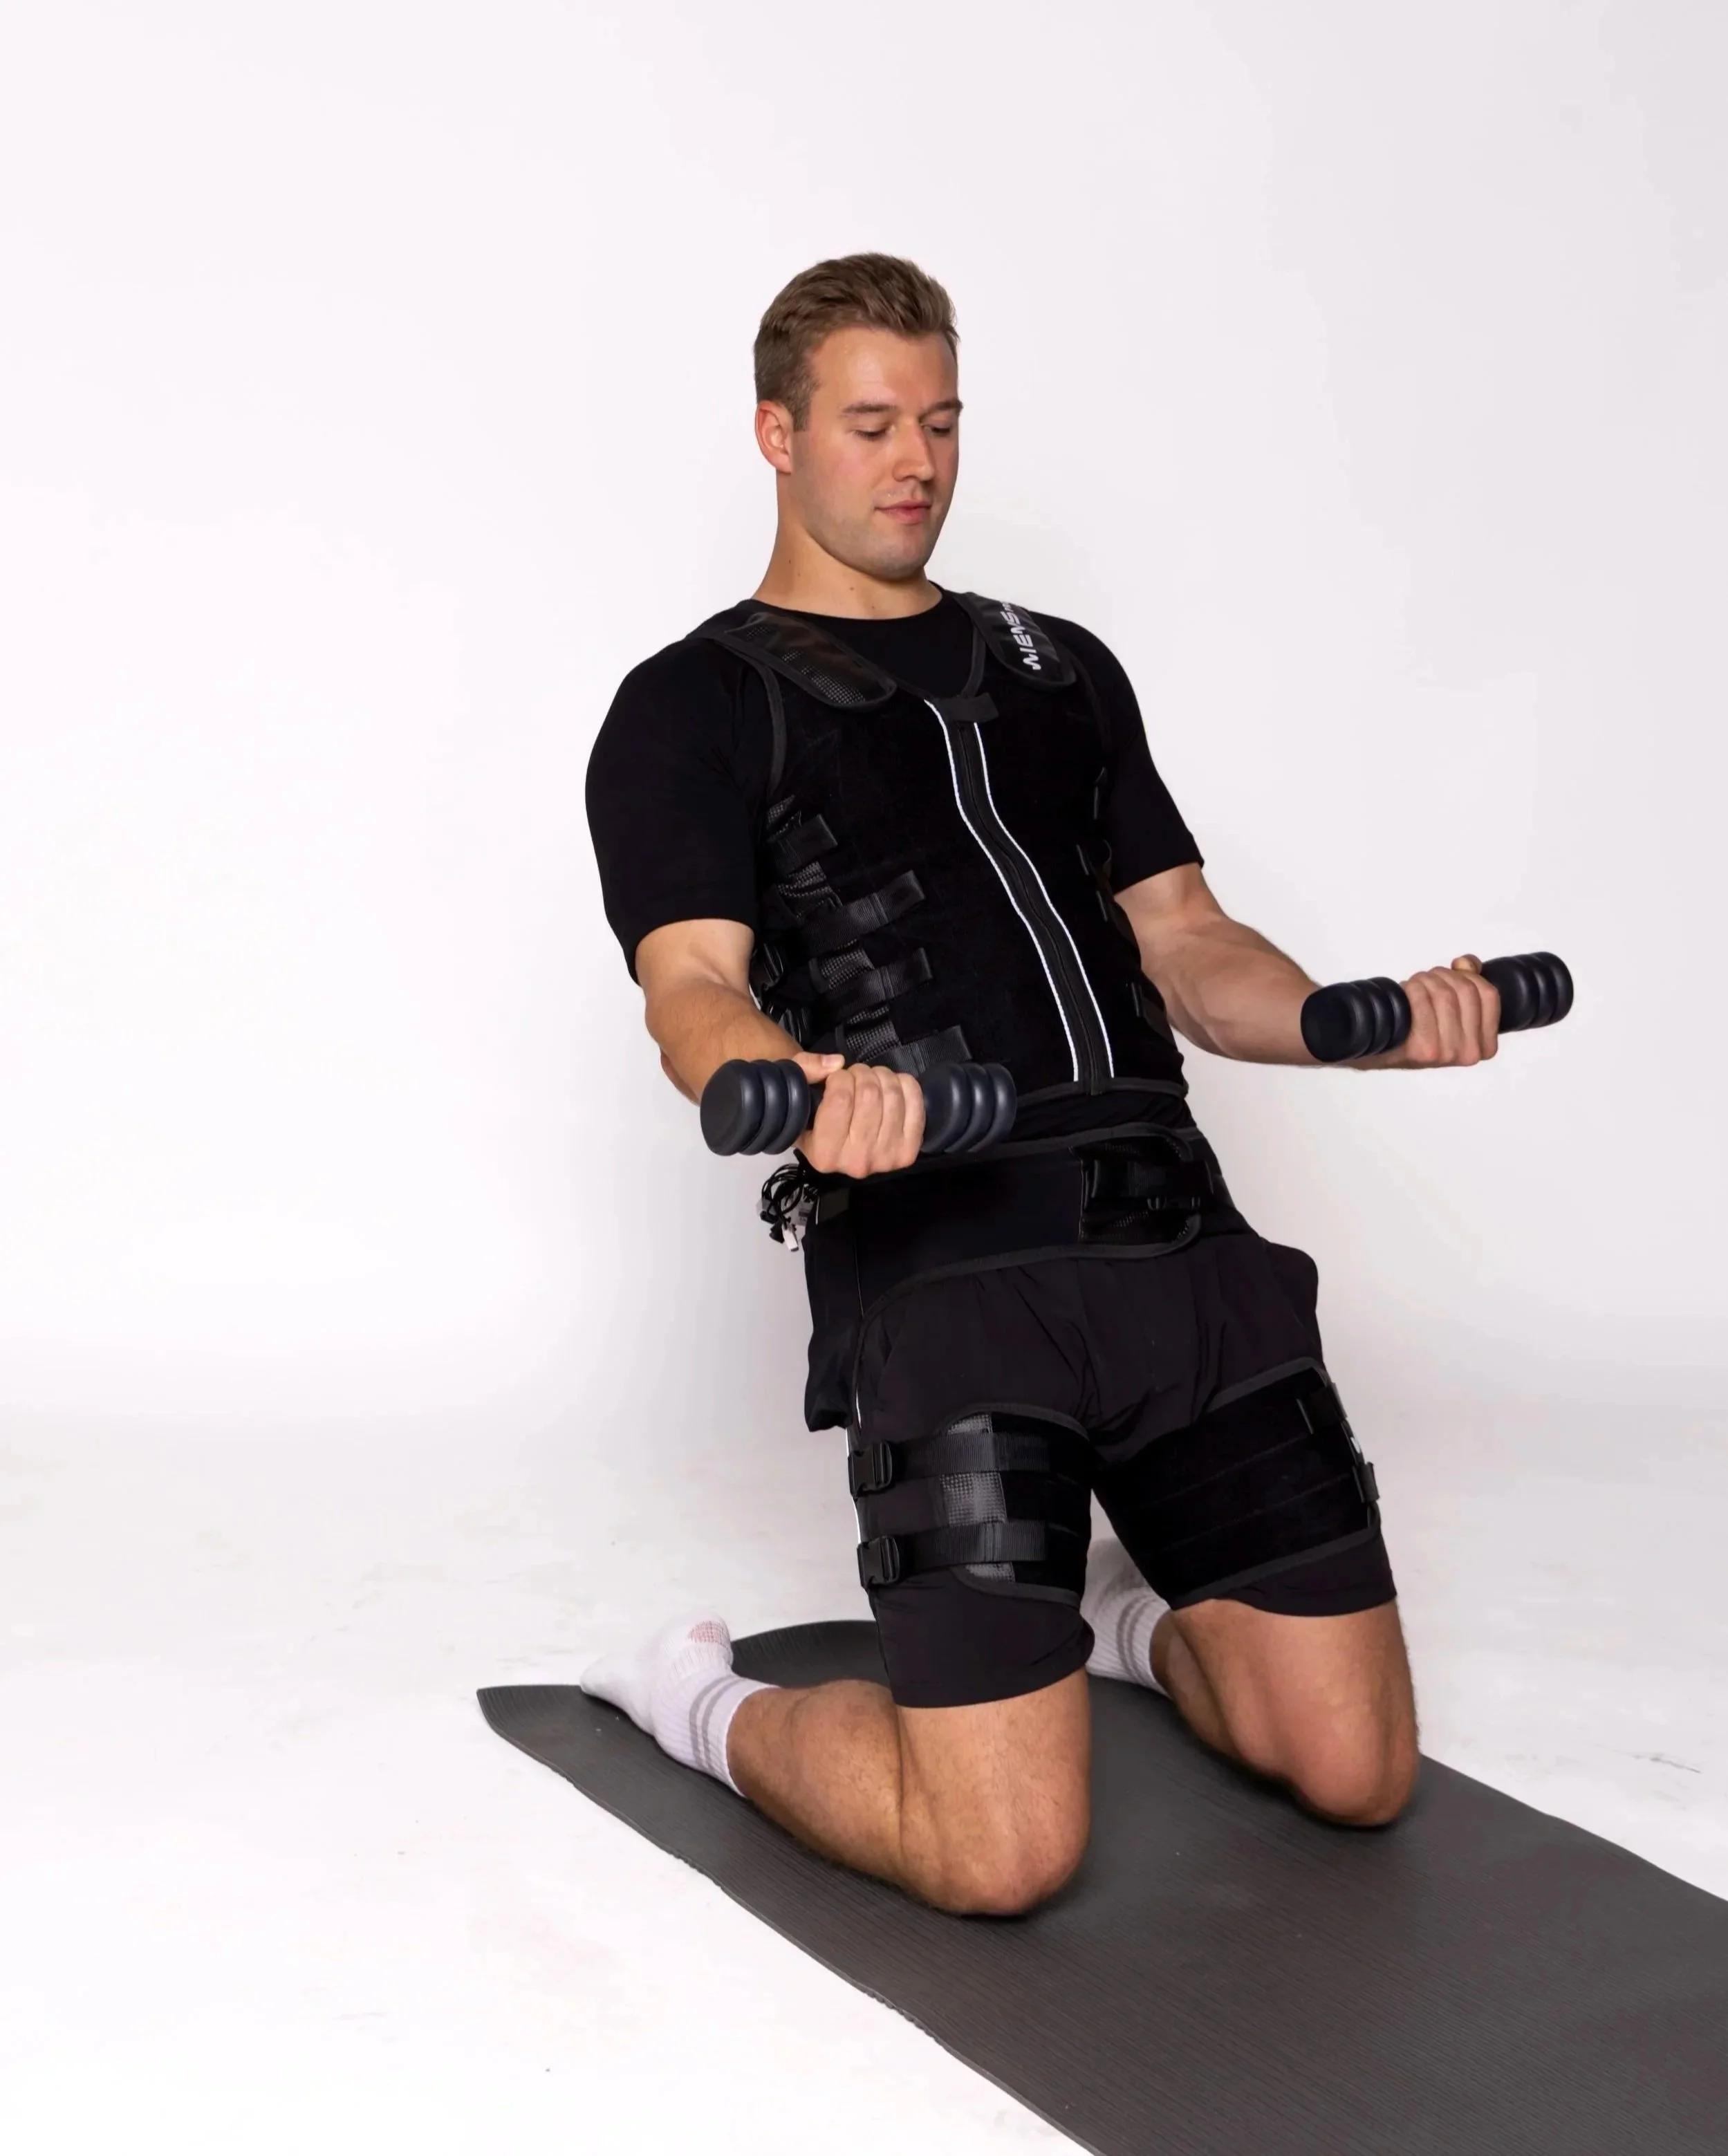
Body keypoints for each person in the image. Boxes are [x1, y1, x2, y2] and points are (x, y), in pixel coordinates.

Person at [582, 254, 1501, 1917]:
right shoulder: (689, 705)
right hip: (952, 1274)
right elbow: (690, 989)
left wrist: (1343, 1019)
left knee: (1358, 1774)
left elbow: (1189, 937)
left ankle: (1141, 1627)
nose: (914, 459)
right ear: (777, 434)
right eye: (869, 424)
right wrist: (796, 1084)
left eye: (937, 421)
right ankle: (698, 1700)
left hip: (1181, 1249)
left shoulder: (1056, 663)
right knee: (998, 1857)